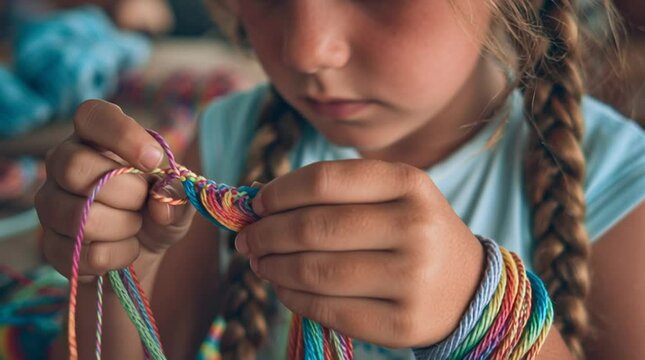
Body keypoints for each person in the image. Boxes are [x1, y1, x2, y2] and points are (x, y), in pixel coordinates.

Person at [35, 0, 645, 359]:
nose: (308, 51)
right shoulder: (229, 135)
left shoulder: (620, 183)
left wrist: (484, 313)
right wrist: (116, 271)